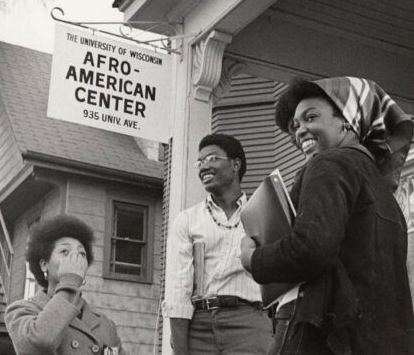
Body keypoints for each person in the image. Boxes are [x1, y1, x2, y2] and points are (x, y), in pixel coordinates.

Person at [240, 76, 414, 355]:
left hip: (328, 338)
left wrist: (253, 259)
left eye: (311, 117)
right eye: (295, 126)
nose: (300, 132)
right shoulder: (385, 193)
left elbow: (311, 250)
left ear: (348, 119)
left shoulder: (329, 163)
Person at [162, 133, 273, 355]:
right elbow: (178, 289)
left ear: (235, 164)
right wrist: (180, 348)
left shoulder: (263, 214)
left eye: (212, 158)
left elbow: (280, 277)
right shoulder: (187, 220)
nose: (203, 167)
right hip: (198, 326)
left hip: (249, 324)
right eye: (200, 162)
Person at [5, 215, 125, 355]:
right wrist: (69, 283)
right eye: (65, 252)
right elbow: (39, 342)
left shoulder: (105, 324)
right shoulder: (21, 310)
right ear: (44, 265)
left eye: (81, 253)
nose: (74, 258)